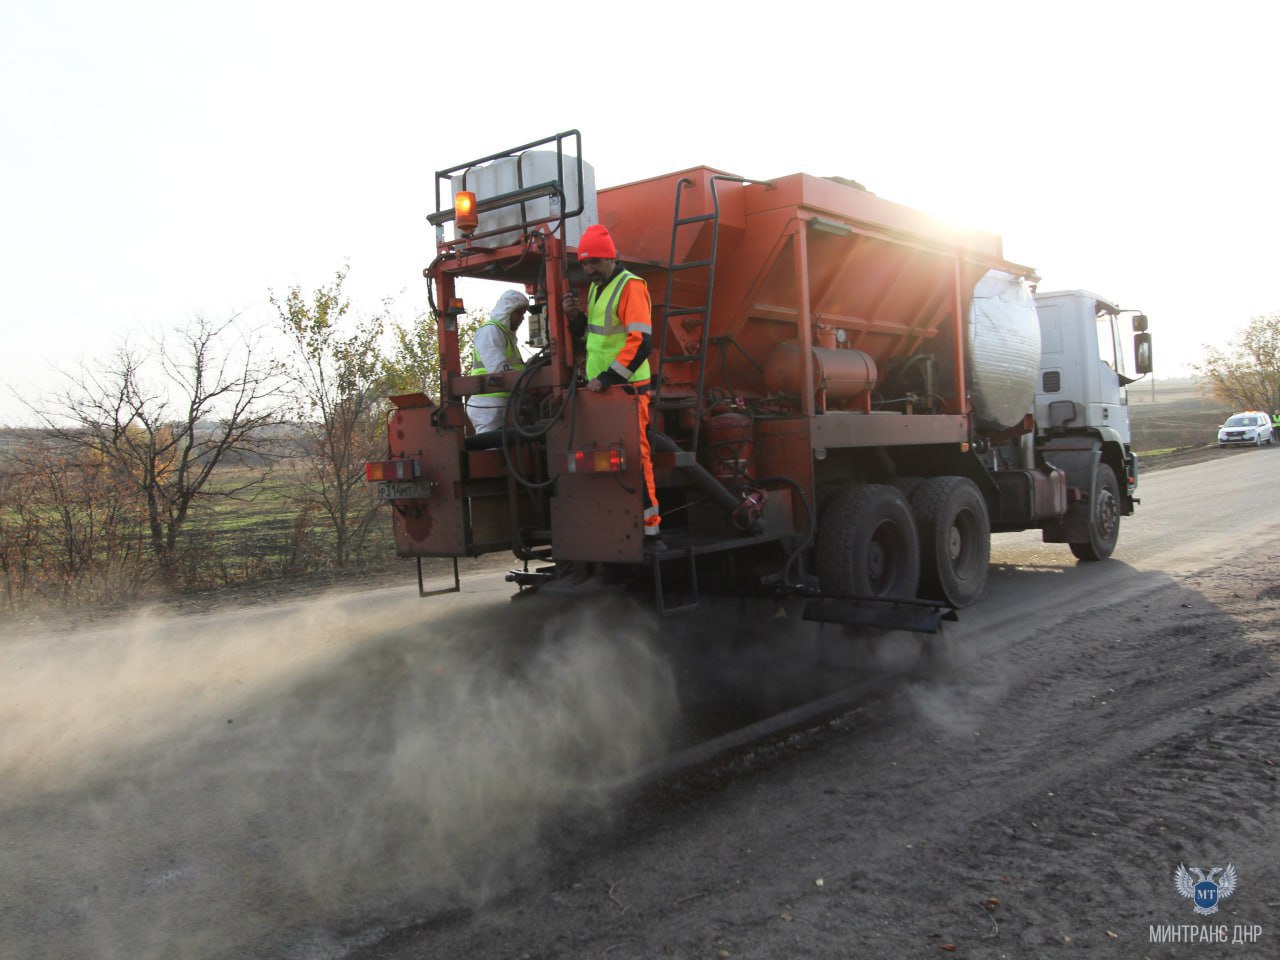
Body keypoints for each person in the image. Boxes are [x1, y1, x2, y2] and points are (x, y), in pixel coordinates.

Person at [561, 224, 662, 545]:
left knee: (639, 457)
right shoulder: (596, 288)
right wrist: (575, 318)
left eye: (594, 263)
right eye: (584, 264)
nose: (589, 269)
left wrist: (608, 379)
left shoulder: (630, 286)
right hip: (603, 392)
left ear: (610, 258)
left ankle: (651, 531)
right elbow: (593, 337)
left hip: (628, 391)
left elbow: (641, 341)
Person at [465, 289, 527, 433]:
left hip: (500, 403)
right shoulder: (490, 331)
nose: (522, 319)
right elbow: (499, 369)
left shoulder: (504, 335)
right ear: (507, 311)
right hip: (487, 405)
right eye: (519, 313)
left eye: (523, 314)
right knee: (490, 451)